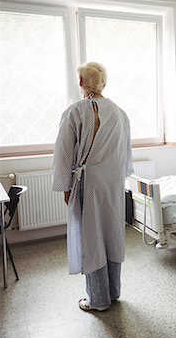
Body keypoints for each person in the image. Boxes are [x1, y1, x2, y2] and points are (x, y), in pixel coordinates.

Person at [52, 62, 133, 312]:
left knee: (92, 238)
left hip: (89, 183)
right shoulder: (120, 113)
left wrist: (66, 186)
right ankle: (114, 292)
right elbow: (125, 152)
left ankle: (97, 299)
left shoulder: (77, 111)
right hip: (114, 182)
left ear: (81, 83)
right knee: (112, 234)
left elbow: (64, 153)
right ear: (103, 83)